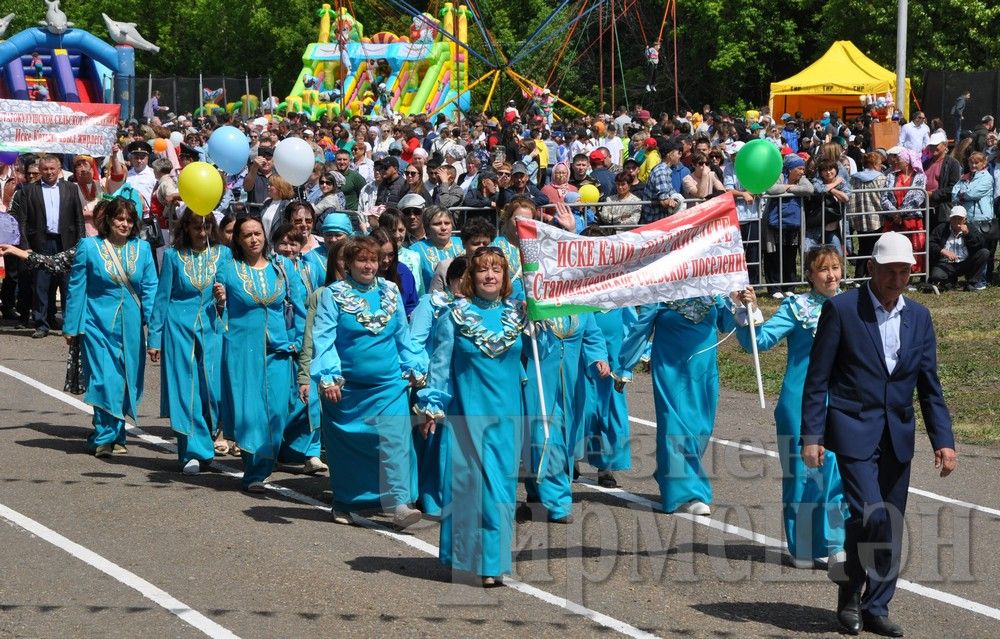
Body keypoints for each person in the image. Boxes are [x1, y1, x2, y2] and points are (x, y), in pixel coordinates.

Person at [801, 231, 957, 637]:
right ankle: (850, 591)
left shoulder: (919, 317)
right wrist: (812, 436)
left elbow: (929, 384)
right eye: (889, 271)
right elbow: (818, 379)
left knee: (888, 520)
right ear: (871, 268)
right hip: (852, 429)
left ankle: (876, 606)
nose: (897, 279)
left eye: (905, 272)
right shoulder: (842, 310)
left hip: (898, 437)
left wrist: (944, 439)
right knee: (873, 515)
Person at [416, 246, 528, 586]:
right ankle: (472, 560)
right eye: (482, 270)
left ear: (506, 277)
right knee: (471, 489)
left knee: (501, 491)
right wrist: (432, 407)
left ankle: (490, 561)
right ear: (471, 276)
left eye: (496, 270)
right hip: (466, 414)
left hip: (507, 418)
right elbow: (439, 365)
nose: (490, 276)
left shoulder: (521, 313)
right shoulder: (453, 315)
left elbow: (544, 353)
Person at [733, 246, 849, 570]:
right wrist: (748, 312)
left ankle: (833, 543)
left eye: (836, 268)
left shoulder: (851, 305)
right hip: (799, 403)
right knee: (801, 473)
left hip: (839, 404)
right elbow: (761, 341)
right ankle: (802, 546)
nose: (831, 275)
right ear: (810, 275)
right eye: (823, 269)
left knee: (834, 473)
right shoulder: (798, 307)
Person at [310, 236, 427, 526]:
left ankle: (399, 502)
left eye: (373, 260)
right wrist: (328, 376)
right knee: (348, 447)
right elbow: (323, 337)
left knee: (395, 439)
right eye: (361, 260)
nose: (368, 265)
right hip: (346, 389)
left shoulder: (390, 291)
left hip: (388, 385)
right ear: (348, 264)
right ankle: (346, 502)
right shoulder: (333, 294)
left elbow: (402, 333)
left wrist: (412, 364)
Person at [616, 295, 736, 516]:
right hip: (671, 369)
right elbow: (641, 328)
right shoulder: (660, 289)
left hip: (704, 372)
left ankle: (669, 472)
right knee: (677, 426)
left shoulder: (712, 290)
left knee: (701, 428)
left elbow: (726, 324)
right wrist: (625, 366)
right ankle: (687, 493)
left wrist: (737, 303)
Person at [212, 215, 307, 492]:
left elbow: (298, 309)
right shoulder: (228, 269)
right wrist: (220, 302)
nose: (254, 239)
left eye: (257, 233)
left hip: (278, 350)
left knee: (277, 411)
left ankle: (264, 464)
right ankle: (254, 471)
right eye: (247, 235)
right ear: (238, 241)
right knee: (250, 412)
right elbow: (215, 313)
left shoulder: (282, 268)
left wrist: (297, 341)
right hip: (242, 350)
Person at [63, 197, 158, 456]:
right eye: (119, 219)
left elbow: (150, 289)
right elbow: (77, 288)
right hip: (96, 324)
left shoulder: (143, 249)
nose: (125, 224)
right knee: (104, 378)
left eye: (129, 220)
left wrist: (155, 332)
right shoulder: (89, 247)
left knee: (126, 381)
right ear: (108, 220)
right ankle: (104, 435)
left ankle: (118, 434)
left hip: (131, 326)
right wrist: (72, 326)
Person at [147, 211, 231, 474]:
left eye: (207, 227)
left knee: (213, 390)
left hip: (213, 327)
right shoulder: (173, 256)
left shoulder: (223, 254)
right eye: (196, 227)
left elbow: (232, 294)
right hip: (178, 328)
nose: (202, 232)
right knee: (186, 390)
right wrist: (154, 338)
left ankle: (205, 446)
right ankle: (191, 452)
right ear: (186, 228)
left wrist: (222, 297)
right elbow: (162, 298)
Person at [18, 154, 84, 338]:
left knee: (67, 285)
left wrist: (81, 244)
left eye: (52, 169)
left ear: (59, 169)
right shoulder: (29, 190)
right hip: (41, 242)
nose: (48, 172)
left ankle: (69, 323)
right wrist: (25, 245)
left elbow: (78, 218)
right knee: (41, 285)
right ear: (40, 171)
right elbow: (22, 220)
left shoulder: (70, 188)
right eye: (45, 169)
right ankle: (41, 324)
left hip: (66, 242)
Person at [950, 151, 995, 290]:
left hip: (982, 219)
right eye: (971, 162)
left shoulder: (987, 178)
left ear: (984, 163)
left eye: (977, 162)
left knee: (983, 249)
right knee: (970, 249)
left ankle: (981, 280)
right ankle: (972, 278)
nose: (974, 165)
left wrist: (963, 193)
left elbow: (973, 193)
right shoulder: (965, 176)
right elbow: (954, 192)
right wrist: (963, 193)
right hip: (967, 217)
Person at [926, 205, 989, 292]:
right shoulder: (941, 228)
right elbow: (930, 243)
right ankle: (949, 282)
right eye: (954, 218)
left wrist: (968, 234)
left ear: (965, 220)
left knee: (984, 253)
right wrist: (943, 251)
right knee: (936, 276)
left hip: (965, 262)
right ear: (950, 218)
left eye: (959, 218)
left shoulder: (970, 228)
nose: (956, 221)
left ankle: (971, 283)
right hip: (946, 263)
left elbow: (981, 244)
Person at [848, 152, 890, 279]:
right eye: (879, 164)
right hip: (876, 217)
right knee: (874, 247)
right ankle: (871, 274)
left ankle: (859, 275)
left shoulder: (854, 178)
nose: (881, 166)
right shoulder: (881, 178)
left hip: (860, 217)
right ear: (875, 164)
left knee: (862, 247)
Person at [409, 205, 461, 287]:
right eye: (437, 224)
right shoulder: (416, 250)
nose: (443, 228)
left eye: (447, 223)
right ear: (428, 228)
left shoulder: (462, 243)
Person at [372, 227, 419, 315]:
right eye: (381, 255)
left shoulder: (403, 271)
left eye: (390, 255)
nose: (386, 260)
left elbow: (411, 305)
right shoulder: (363, 274)